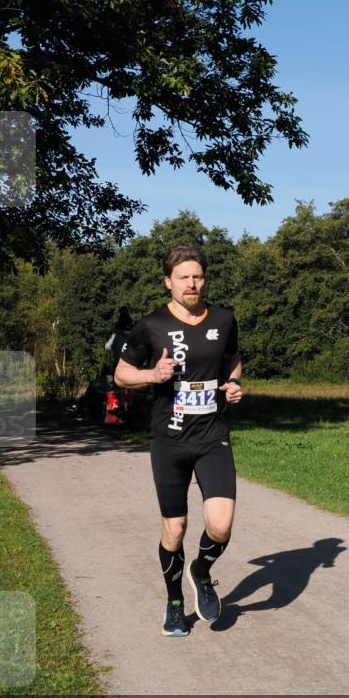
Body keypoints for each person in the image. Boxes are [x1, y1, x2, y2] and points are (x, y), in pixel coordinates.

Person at [114, 244, 242, 637]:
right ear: (168, 281)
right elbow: (121, 373)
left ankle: (201, 571)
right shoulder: (150, 325)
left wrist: (233, 383)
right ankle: (174, 605)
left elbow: (232, 360)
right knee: (175, 529)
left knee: (220, 526)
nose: (191, 283)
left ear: (205, 280)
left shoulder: (224, 319)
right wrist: (153, 375)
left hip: (212, 435)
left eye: (197, 276)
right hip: (168, 440)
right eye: (183, 277)